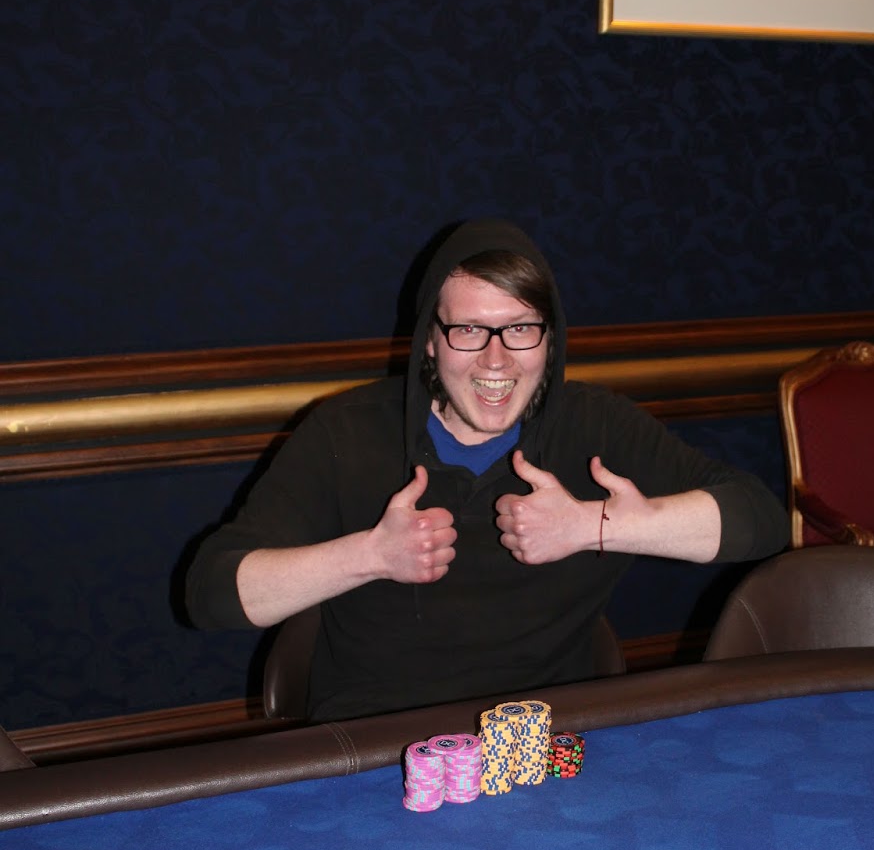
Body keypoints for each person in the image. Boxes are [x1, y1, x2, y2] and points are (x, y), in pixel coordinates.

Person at [185, 219, 788, 718]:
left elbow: (761, 519)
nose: (495, 360)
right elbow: (210, 594)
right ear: (429, 340)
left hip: (552, 732)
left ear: (550, 340)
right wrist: (370, 555)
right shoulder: (344, 431)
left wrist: (594, 526)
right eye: (469, 330)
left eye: (520, 329)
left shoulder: (598, 426)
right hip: (379, 741)